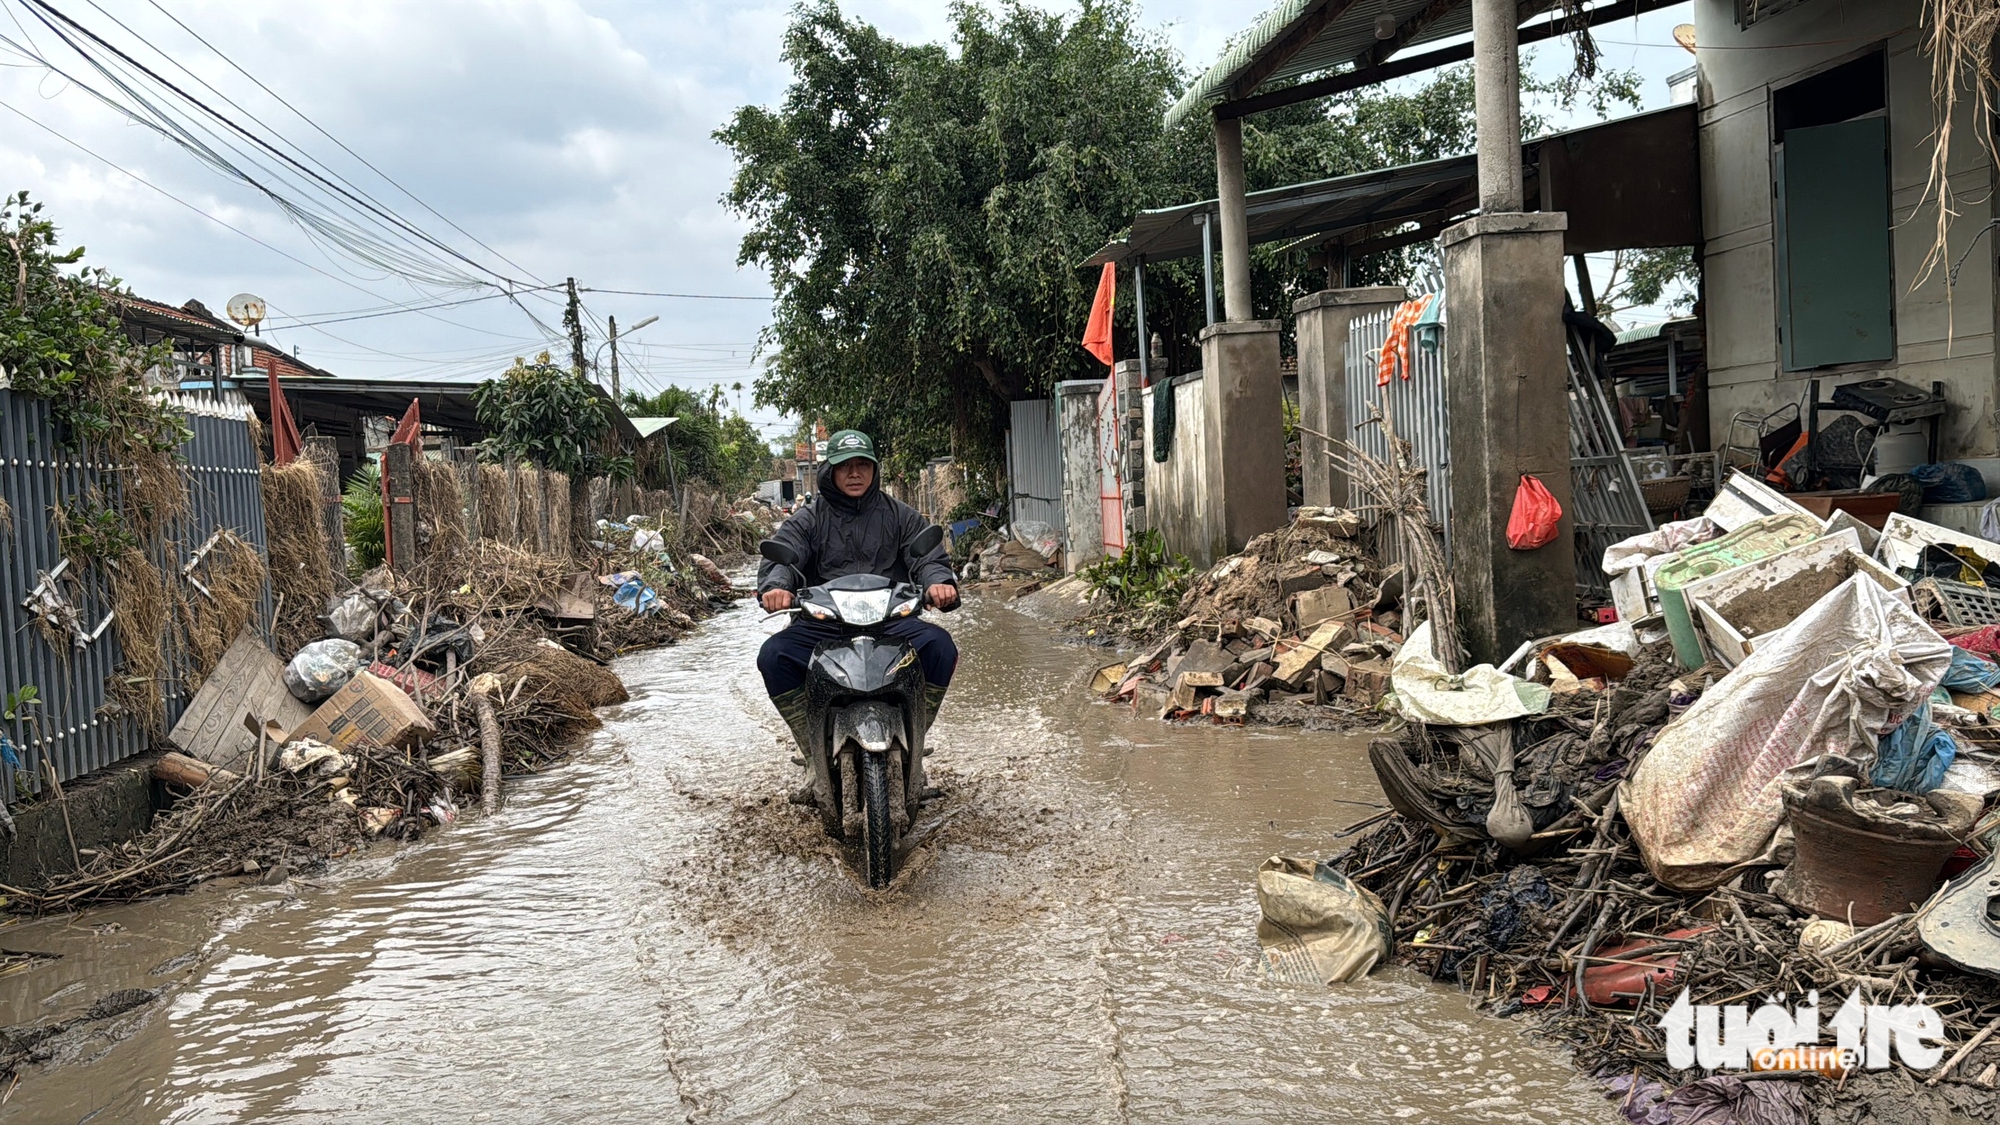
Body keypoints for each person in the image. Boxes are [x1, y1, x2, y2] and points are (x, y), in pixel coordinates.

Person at [756, 429, 959, 754]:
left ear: (874, 469)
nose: (854, 473)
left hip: (890, 623)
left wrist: (939, 583)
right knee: (773, 656)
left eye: (862, 464)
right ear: (829, 470)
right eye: (844, 465)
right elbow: (783, 552)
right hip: (823, 624)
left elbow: (927, 558)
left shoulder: (901, 516)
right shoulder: (808, 519)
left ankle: (916, 732)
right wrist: (776, 587)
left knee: (940, 646)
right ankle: (811, 746)